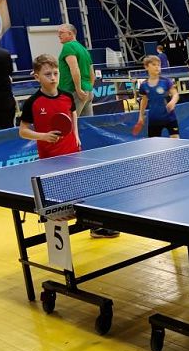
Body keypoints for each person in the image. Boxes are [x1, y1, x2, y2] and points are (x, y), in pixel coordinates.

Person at [19, 55, 120, 238]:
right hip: (50, 160)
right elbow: (23, 131)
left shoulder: (67, 96)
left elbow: (72, 114)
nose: (53, 78)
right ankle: (59, 238)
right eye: (48, 74)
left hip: (73, 153)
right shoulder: (32, 102)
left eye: (55, 73)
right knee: (57, 203)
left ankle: (94, 227)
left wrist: (76, 135)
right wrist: (43, 136)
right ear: (36, 76)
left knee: (84, 191)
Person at [136, 55, 180, 138]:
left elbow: (175, 94)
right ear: (146, 67)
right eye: (154, 65)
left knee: (175, 140)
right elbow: (144, 101)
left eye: (158, 65)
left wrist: (172, 102)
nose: (157, 67)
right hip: (154, 119)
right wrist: (141, 116)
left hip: (170, 117)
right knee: (154, 144)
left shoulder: (166, 81)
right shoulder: (144, 85)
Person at [57, 23, 95, 117]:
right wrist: (88, 88)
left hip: (73, 91)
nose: (59, 35)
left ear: (70, 34)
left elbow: (74, 69)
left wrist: (78, 89)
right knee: (87, 123)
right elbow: (92, 74)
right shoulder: (84, 49)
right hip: (87, 91)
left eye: (61, 32)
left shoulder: (68, 46)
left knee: (69, 123)